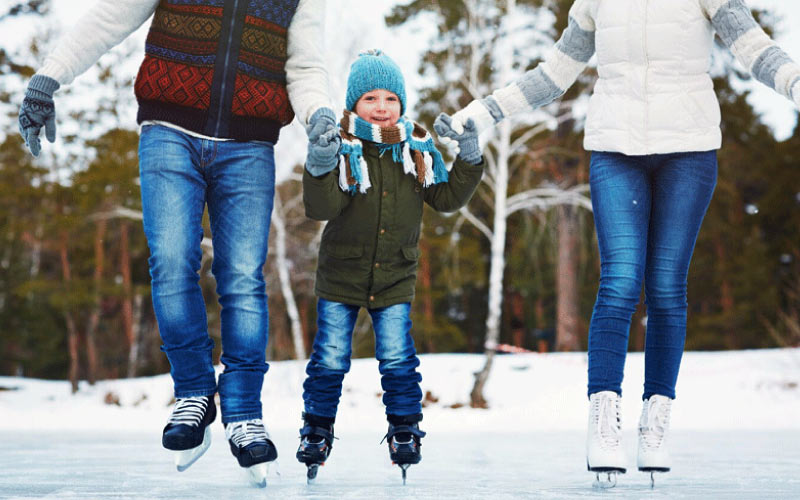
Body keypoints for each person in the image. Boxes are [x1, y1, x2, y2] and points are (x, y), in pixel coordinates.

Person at [434, 0, 800, 484]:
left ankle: (656, 418)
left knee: (667, 286)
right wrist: (484, 113)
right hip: (615, 150)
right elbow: (554, 74)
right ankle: (604, 420)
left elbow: (754, 48)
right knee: (621, 282)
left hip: (688, 151)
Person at [18, 0, 337, 486]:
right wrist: (49, 77)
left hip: (250, 146)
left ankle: (244, 411)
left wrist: (318, 114)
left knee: (242, 276)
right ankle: (193, 393)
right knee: (170, 259)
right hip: (169, 130)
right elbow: (110, 18)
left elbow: (305, 62)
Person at [295, 50, 484, 483]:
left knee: (398, 359)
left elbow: (447, 199)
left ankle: (404, 429)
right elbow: (320, 206)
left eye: (390, 99)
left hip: (395, 275)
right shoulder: (341, 147)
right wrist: (321, 163)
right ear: (352, 105)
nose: (381, 107)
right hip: (342, 274)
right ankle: (316, 431)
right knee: (329, 359)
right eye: (370, 99)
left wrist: (468, 158)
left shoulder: (417, 149)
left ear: (401, 103)